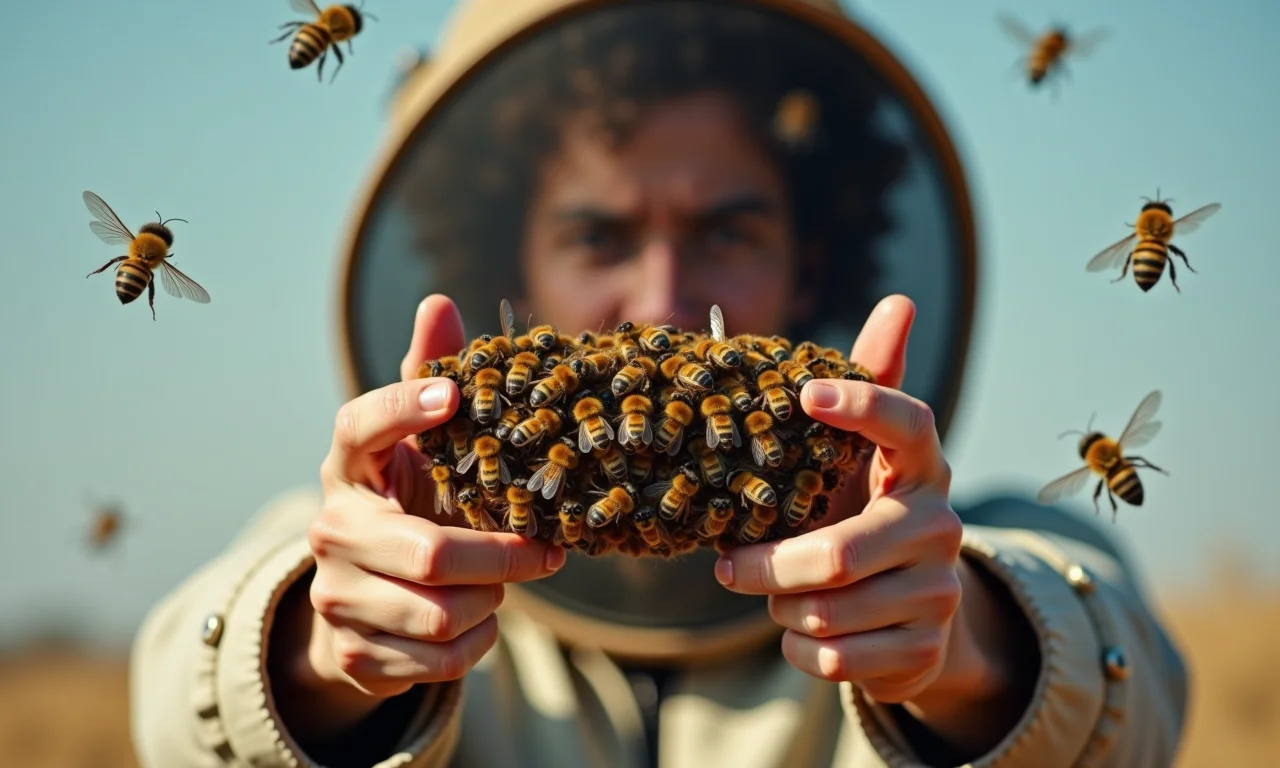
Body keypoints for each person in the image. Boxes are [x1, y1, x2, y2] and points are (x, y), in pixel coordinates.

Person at [129, 1, 1189, 766]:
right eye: (598, 236)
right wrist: (316, 652)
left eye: (726, 231)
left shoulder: (960, 541)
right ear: (509, 265)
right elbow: (176, 698)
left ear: (810, 260)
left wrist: (973, 647)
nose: (661, 301)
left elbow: (1126, 672)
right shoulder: (338, 544)